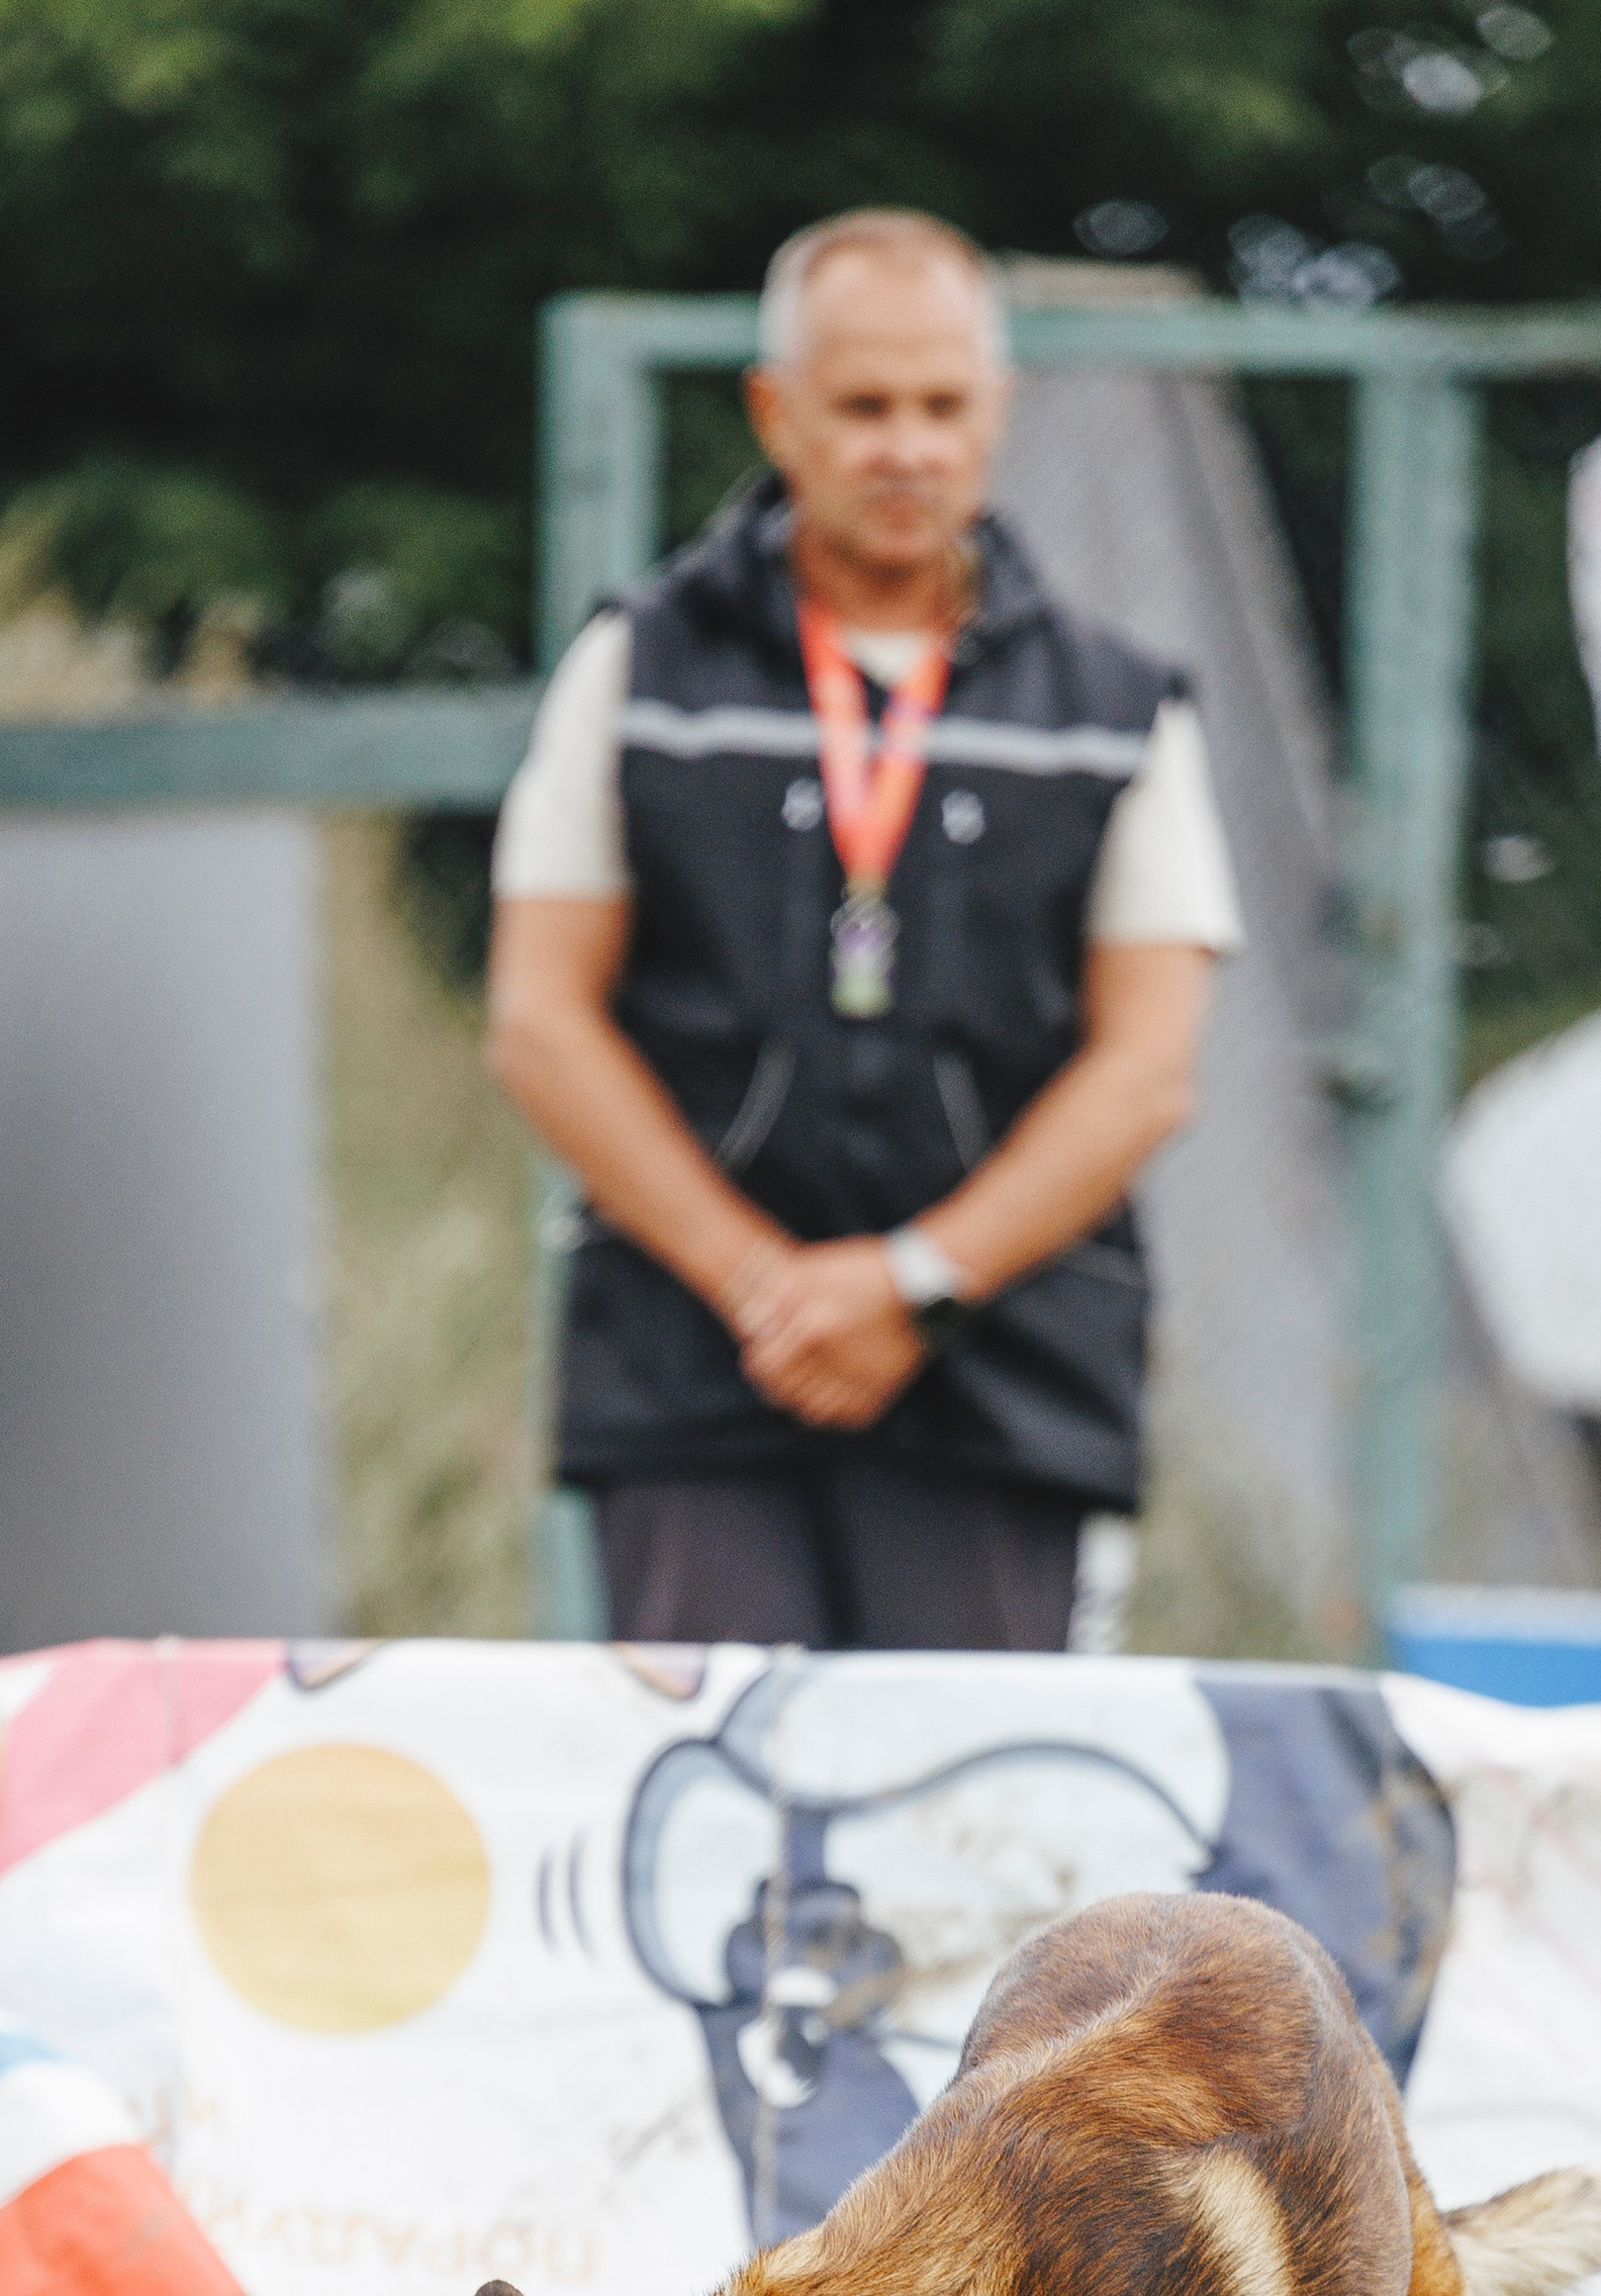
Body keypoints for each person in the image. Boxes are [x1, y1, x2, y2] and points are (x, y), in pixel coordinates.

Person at [490, 207, 1240, 1652]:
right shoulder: (635, 670)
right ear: (780, 414)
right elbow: (539, 1019)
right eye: (865, 407)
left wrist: (913, 1284)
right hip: (696, 1377)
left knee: (992, 1849)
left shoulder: (1117, 704)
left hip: (1003, 1380)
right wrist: (768, 1288)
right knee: (704, 1836)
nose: (908, 447)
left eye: (944, 406)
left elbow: (1148, 1068)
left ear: (996, 412)